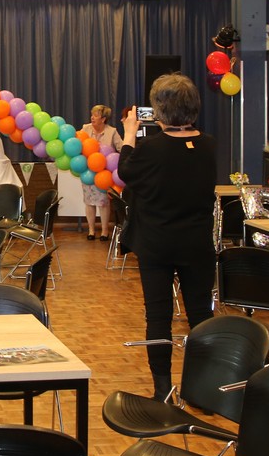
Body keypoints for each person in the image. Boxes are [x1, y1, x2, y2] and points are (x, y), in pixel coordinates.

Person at [118, 75, 216, 400]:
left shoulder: (151, 148)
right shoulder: (209, 144)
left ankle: (162, 389)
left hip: (157, 243)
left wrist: (130, 133)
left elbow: (125, 171)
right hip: (197, 243)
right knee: (201, 315)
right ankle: (204, 390)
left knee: (158, 316)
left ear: (159, 109)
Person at [81, 104, 123, 241]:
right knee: (89, 201)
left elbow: (122, 148)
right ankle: (91, 230)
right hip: (88, 172)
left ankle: (105, 231)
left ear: (103, 119)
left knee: (104, 202)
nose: (92, 117)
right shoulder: (85, 129)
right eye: (92, 115)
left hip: (105, 175)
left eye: (96, 115)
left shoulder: (112, 132)